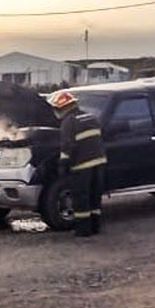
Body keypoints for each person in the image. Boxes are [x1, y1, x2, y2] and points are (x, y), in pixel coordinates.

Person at [48, 90, 107, 237]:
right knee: (95, 195)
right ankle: (95, 226)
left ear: (62, 108)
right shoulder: (91, 117)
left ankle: (83, 230)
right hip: (99, 162)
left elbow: (67, 145)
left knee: (81, 196)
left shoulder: (69, 122)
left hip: (82, 165)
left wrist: (63, 164)